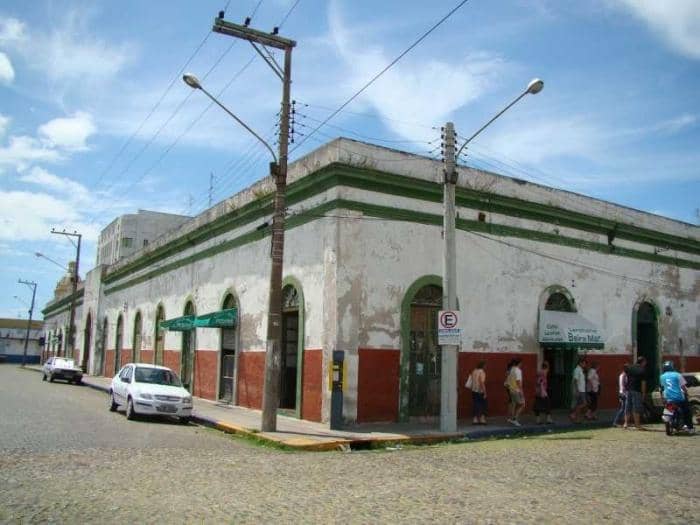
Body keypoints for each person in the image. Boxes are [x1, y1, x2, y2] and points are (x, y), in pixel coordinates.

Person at [659, 360, 695, 433]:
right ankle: (689, 427)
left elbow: (662, 388)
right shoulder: (677, 375)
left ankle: (667, 417)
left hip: (668, 398)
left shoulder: (662, 376)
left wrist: (662, 397)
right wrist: (687, 393)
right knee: (687, 411)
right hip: (678, 397)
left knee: (668, 407)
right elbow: (683, 387)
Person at [625, 356, 647, 430]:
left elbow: (626, 378)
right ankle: (637, 425)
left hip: (628, 390)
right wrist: (643, 394)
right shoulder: (642, 370)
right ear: (643, 362)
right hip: (637, 390)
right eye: (645, 362)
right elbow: (643, 383)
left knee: (627, 406)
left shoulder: (629, 368)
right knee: (636, 408)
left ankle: (626, 424)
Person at [505, 358, 525, 426]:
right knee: (522, 404)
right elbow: (518, 382)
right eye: (521, 363)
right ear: (519, 363)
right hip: (516, 390)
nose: (521, 364)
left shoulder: (511, 370)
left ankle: (511, 418)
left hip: (511, 389)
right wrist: (521, 392)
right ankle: (514, 419)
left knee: (514, 404)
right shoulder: (518, 371)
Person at [569, 356, 588, 423]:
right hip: (579, 390)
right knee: (583, 403)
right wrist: (576, 390)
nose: (585, 365)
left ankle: (576, 418)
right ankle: (573, 414)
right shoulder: (577, 370)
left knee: (580, 404)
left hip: (582, 390)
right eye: (584, 363)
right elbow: (575, 381)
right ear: (580, 363)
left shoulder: (581, 370)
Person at [534, 360, 552, 424]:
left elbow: (537, 382)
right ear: (547, 367)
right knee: (547, 405)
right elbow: (540, 382)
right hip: (542, 392)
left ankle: (538, 420)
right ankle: (548, 419)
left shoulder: (539, 372)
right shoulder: (544, 373)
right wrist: (543, 391)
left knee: (537, 405)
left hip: (537, 392)